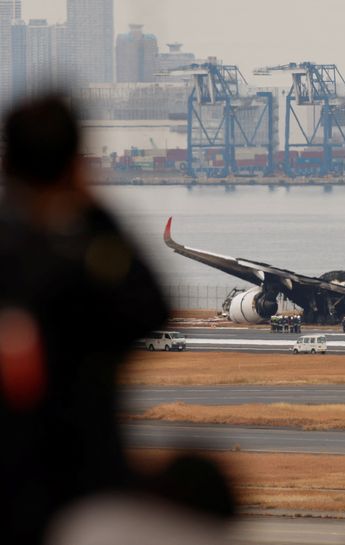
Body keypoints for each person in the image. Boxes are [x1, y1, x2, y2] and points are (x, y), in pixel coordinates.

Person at [0, 95, 232, 544]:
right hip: (87, 487)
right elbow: (153, 310)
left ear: (7, 164)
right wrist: (92, 209)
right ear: (76, 165)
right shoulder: (86, 266)